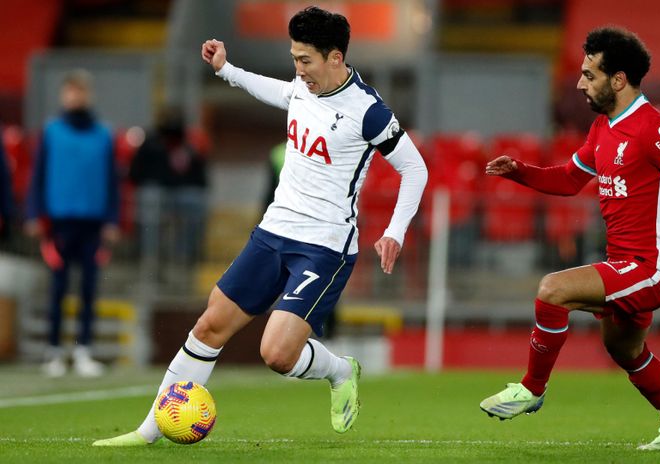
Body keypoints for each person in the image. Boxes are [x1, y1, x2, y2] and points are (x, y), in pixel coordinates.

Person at [93, 6, 427, 446]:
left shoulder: (368, 111)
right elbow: (282, 92)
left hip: (324, 245)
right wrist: (226, 69)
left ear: (335, 57)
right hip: (274, 232)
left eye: (305, 60)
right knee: (210, 324)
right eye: (294, 59)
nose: (298, 70)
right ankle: (149, 431)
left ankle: (342, 370)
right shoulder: (305, 88)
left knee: (276, 353)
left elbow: (415, 168)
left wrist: (395, 231)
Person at [479, 27, 660, 451]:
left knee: (552, 290)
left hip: (650, 269)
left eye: (589, 74)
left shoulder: (652, 127)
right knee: (625, 349)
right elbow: (569, 180)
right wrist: (520, 171)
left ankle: (532, 389)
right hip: (623, 264)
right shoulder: (603, 127)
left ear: (618, 80)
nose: (580, 83)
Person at [25, 70, 120, 378]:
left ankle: (83, 351)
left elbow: (113, 180)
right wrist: (32, 214)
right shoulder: (51, 132)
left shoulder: (103, 134)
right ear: (63, 95)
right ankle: (54, 351)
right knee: (58, 288)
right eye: (70, 91)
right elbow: (37, 175)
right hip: (59, 223)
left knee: (89, 290)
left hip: (92, 223)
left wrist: (112, 219)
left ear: (88, 94)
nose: (75, 97)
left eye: (80, 91)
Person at [129, 105, 209, 266]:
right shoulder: (151, 143)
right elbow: (135, 173)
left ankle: (185, 256)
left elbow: (201, 180)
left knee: (194, 201)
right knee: (151, 198)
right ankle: (150, 256)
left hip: (181, 194)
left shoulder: (189, 145)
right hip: (157, 192)